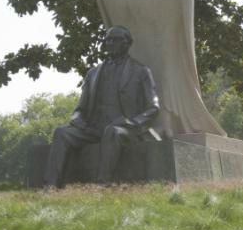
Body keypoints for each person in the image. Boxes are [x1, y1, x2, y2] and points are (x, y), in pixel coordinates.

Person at [43, 26, 160, 187]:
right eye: (107, 40)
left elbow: (153, 108)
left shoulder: (141, 71)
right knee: (61, 132)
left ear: (128, 43)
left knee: (111, 132)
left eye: (115, 40)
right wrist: (77, 120)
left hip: (123, 129)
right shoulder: (93, 73)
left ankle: (101, 185)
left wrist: (131, 122)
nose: (110, 43)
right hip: (93, 129)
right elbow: (79, 109)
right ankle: (50, 185)